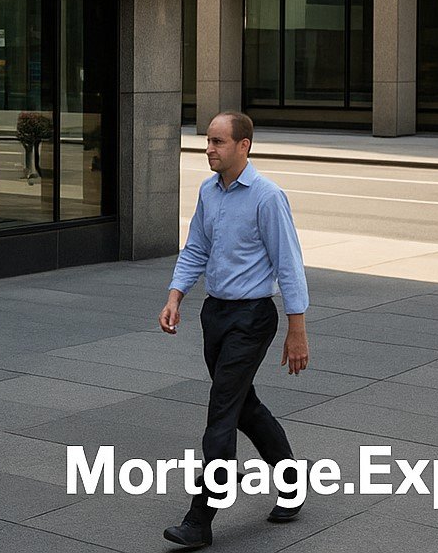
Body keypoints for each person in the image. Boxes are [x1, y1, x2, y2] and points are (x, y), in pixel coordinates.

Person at [158, 111, 310, 549]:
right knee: (244, 406)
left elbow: (289, 265)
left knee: (221, 411)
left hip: (252, 317)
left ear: (244, 146)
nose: (209, 149)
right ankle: (292, 482)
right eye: (207, 141)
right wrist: (175, 295)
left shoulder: (267, 197)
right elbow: (196, 248)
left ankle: (199, 518)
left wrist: (296, 330)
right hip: (216, 315)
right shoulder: (209, 192)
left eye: (219, 142)